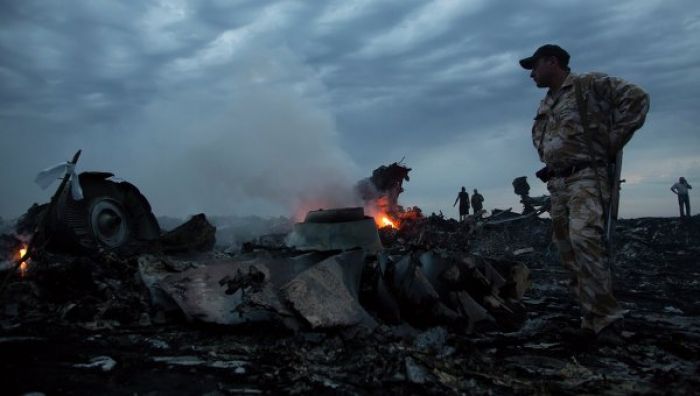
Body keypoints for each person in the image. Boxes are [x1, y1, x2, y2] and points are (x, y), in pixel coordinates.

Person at [520, 44, 650, 340]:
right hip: (558, 183)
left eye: (534, 66)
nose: (531, 74)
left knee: (586, 240)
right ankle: (590, 316)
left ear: (552, 62)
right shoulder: (546, 103)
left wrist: (611, 143)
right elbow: (547, 139)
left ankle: (607, 319)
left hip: (586, 178)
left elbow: (638, 99)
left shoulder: (588, 84)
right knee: (568, 249)